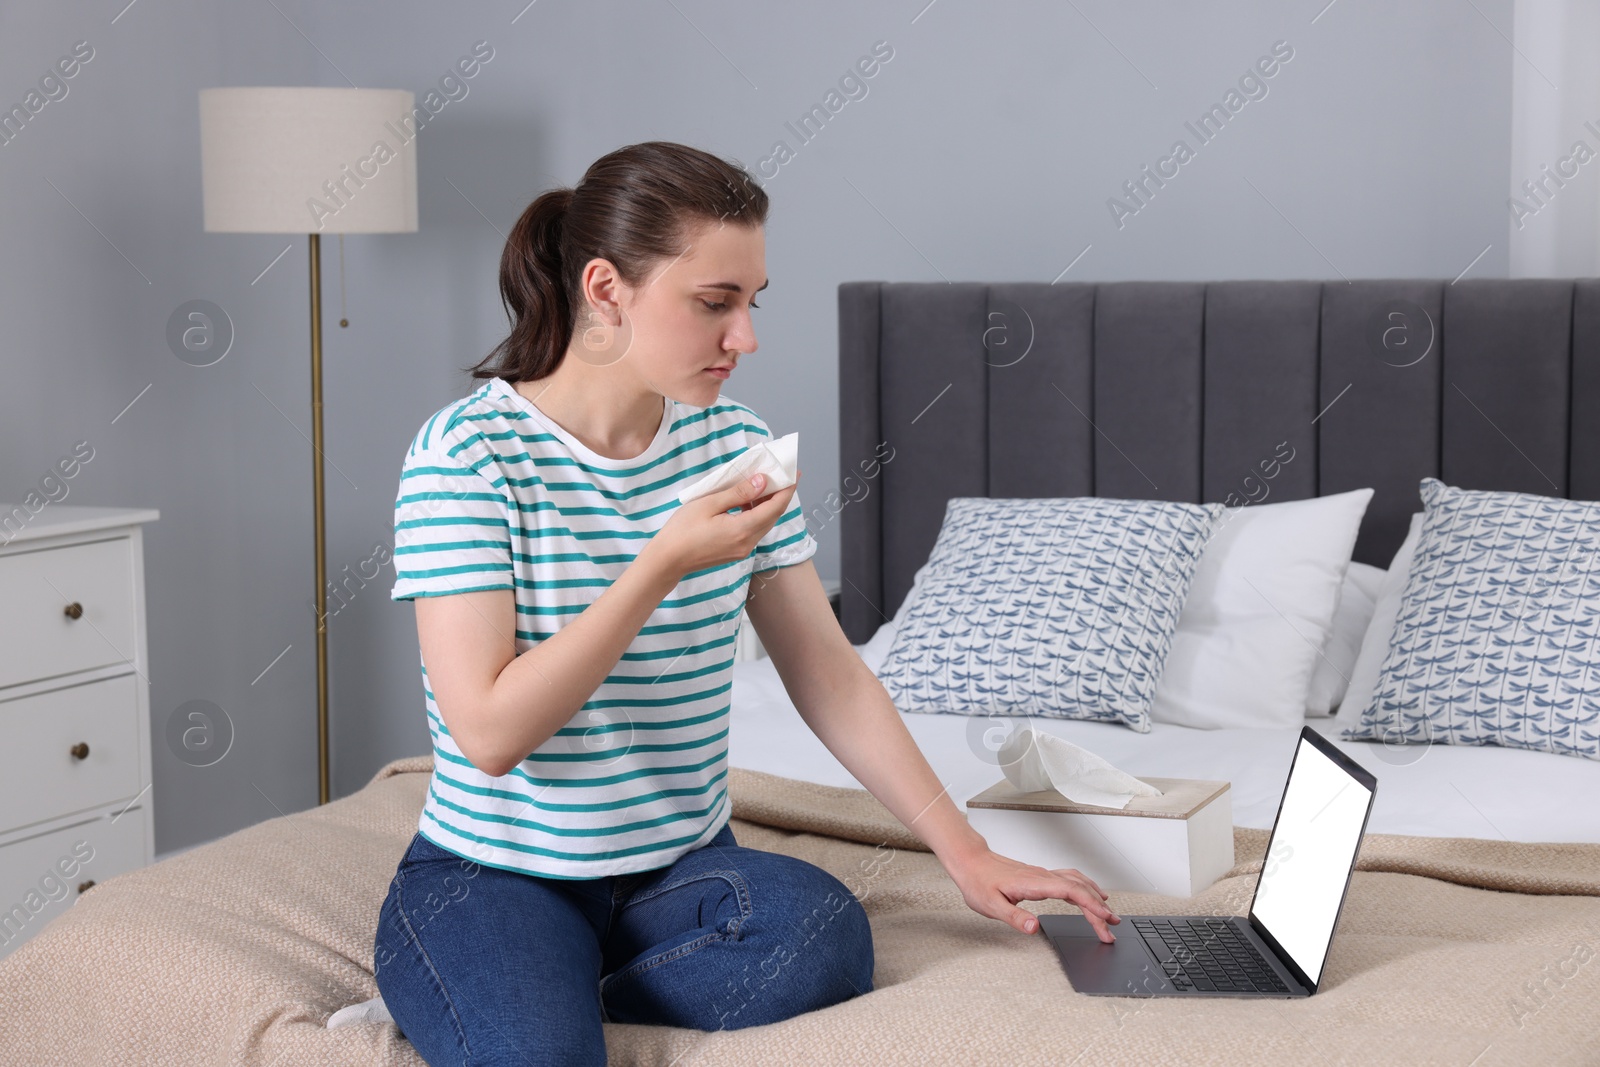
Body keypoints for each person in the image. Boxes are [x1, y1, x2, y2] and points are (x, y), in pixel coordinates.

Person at [373, 140, 1119, 1066]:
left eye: (752, 302)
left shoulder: (737, 444)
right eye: (714, 303)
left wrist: (965, 854)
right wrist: (659, 564)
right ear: (606, 289)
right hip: (496, 874)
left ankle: (564, 980)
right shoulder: (467, 456)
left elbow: (830, 676)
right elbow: (487, 733)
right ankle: (482, 971)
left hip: (673, 872)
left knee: (824, 935)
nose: (747, 338)